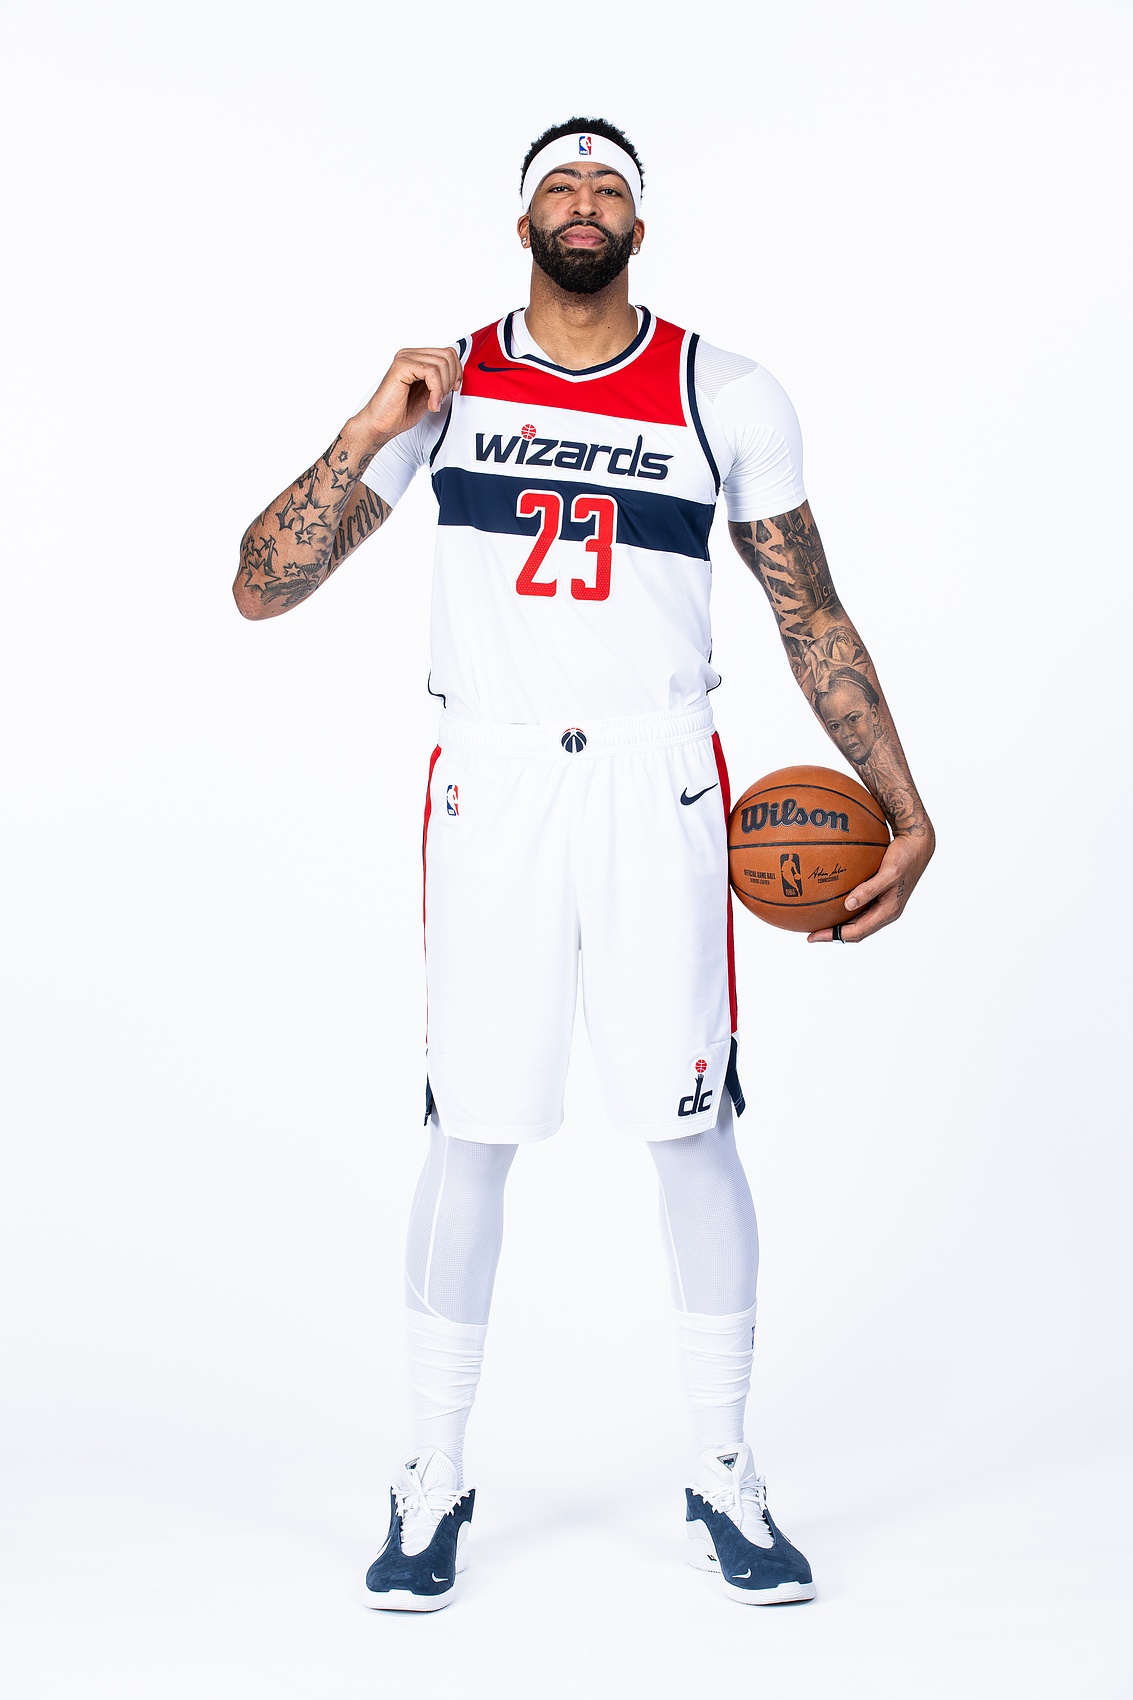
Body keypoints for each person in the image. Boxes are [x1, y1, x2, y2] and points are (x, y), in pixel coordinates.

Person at [234, 117, 935, 1612]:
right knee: (469, 1131)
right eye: (558, 182)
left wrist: (902, 801)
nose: (583, 199)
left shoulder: (722, 391)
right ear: (521, 226)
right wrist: (363, 428)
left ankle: (723, 1470)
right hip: (492, 777)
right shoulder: (447, 386)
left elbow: (808, 611)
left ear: (637, 228)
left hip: (654, 776)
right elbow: (260, 589)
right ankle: (431, 1474)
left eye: (609, 184)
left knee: (692, 1128)